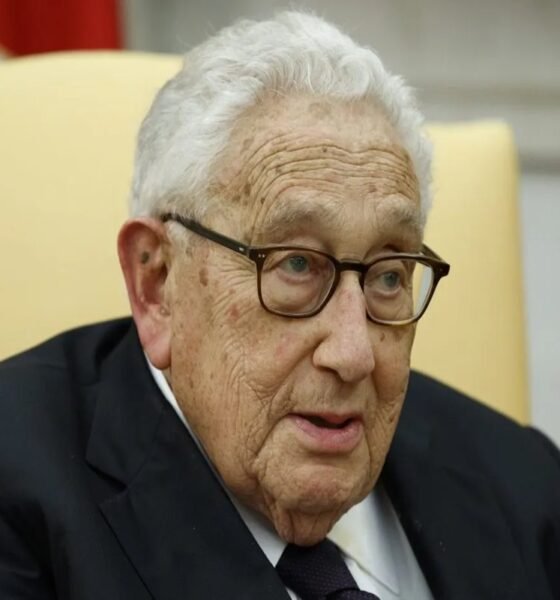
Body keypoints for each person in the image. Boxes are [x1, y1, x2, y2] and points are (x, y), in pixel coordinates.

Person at [0, 11, 559, 600]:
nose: (354, 354)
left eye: (388, 275)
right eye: (295, 265)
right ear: (158, 284)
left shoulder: (526, 485)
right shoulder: (20, 490)